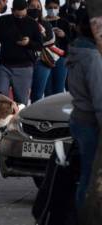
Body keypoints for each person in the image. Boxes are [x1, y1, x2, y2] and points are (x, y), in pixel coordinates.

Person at [67, 12, 102, 208]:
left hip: (80, 118)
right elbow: (99, 99)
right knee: (89, 178)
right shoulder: (92, 57)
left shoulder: (77, 51)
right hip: (91, 123)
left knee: (86, 175)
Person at [0, 0, 42, 105]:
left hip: (24, 67)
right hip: (4, 66)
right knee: (1, 98)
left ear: (27, 10)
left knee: (21, 102)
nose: (20, 18)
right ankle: (2, 120)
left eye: (23, 15)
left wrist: (29, 42)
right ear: (12, 10)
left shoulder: (32, 23)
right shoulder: (2, 21)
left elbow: (39, 45)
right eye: (17, 16)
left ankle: (19, 121)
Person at [27, 0, 56, 103]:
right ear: (27, 7)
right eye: (32, 6)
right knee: (24, 95)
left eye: (38, 6)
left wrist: (37, 38)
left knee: (37, 95)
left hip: (42, 61)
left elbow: (50, 40)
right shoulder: (22, 22)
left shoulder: (45, 24)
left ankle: (35, 118)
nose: (35, 8)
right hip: (25, 62)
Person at [44, 0, 71, 97]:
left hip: (61, 58)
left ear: (59, 8)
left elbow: (70, 41)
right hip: (45, 58)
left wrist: (64, 35)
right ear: (46, 7)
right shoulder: (41, 22)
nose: (53, 10)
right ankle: (47, 112)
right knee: (47, 89)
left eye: (55, 7)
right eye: (50, 7)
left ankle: (57, 112)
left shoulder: (64, 22)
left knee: (59, 89)